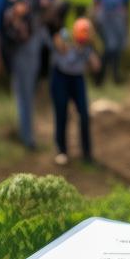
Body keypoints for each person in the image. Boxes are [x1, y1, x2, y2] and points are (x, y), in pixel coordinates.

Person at [6, 0, 54, 149]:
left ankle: (27, 133)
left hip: (37, 48)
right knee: (23, 93)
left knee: (29, 92)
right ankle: (26, 135)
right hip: (22, 49)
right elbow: (14, 20)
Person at [51, 16, 99, 165]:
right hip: (60, 77)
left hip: (77, 79)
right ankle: (62, 150)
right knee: (62, 114)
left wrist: (90, 51)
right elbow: (57, 40)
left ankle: (87, 152)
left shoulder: (89, 46)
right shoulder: (66, 35)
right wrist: (67, 44)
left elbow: (96, 66)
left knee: (84, 114)